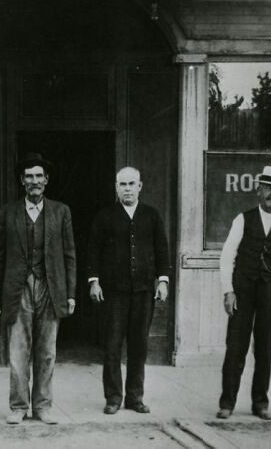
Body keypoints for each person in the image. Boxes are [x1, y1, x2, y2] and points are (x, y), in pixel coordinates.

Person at [0, 152, 77, 425]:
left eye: (39, 176)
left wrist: (71, 293)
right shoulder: (7, 212)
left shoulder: (61, 211)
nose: (34, 181)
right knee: (18, 352)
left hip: (51, 288)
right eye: (29, 176)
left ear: (46, 180)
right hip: (17, 289)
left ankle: (42, 406)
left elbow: (69, 255)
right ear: (22, 181)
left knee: (47, 351)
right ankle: (18, 406)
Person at [216, 166, 271, 421]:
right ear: (258, 190)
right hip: (243, 291)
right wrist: (228, 291)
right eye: (269, 188)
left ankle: (260, 403)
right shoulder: (243, 219)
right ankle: (227, 403)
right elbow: (227, 256)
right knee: (236, 347)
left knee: (265, 349)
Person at [87, 166, 170, 415]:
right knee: (112, 345)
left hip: (144, 291)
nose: (127, 189)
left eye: (132, 184)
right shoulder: (105, 216)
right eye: (122, 184)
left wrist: (163, 280)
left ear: (140, 186)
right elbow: (92, 250)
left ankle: (135, 397)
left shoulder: (152, 216)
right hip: (114, 292)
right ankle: (113, 397)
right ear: (116, 187)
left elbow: (162, 250)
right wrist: (94, 281)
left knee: (139, 345)